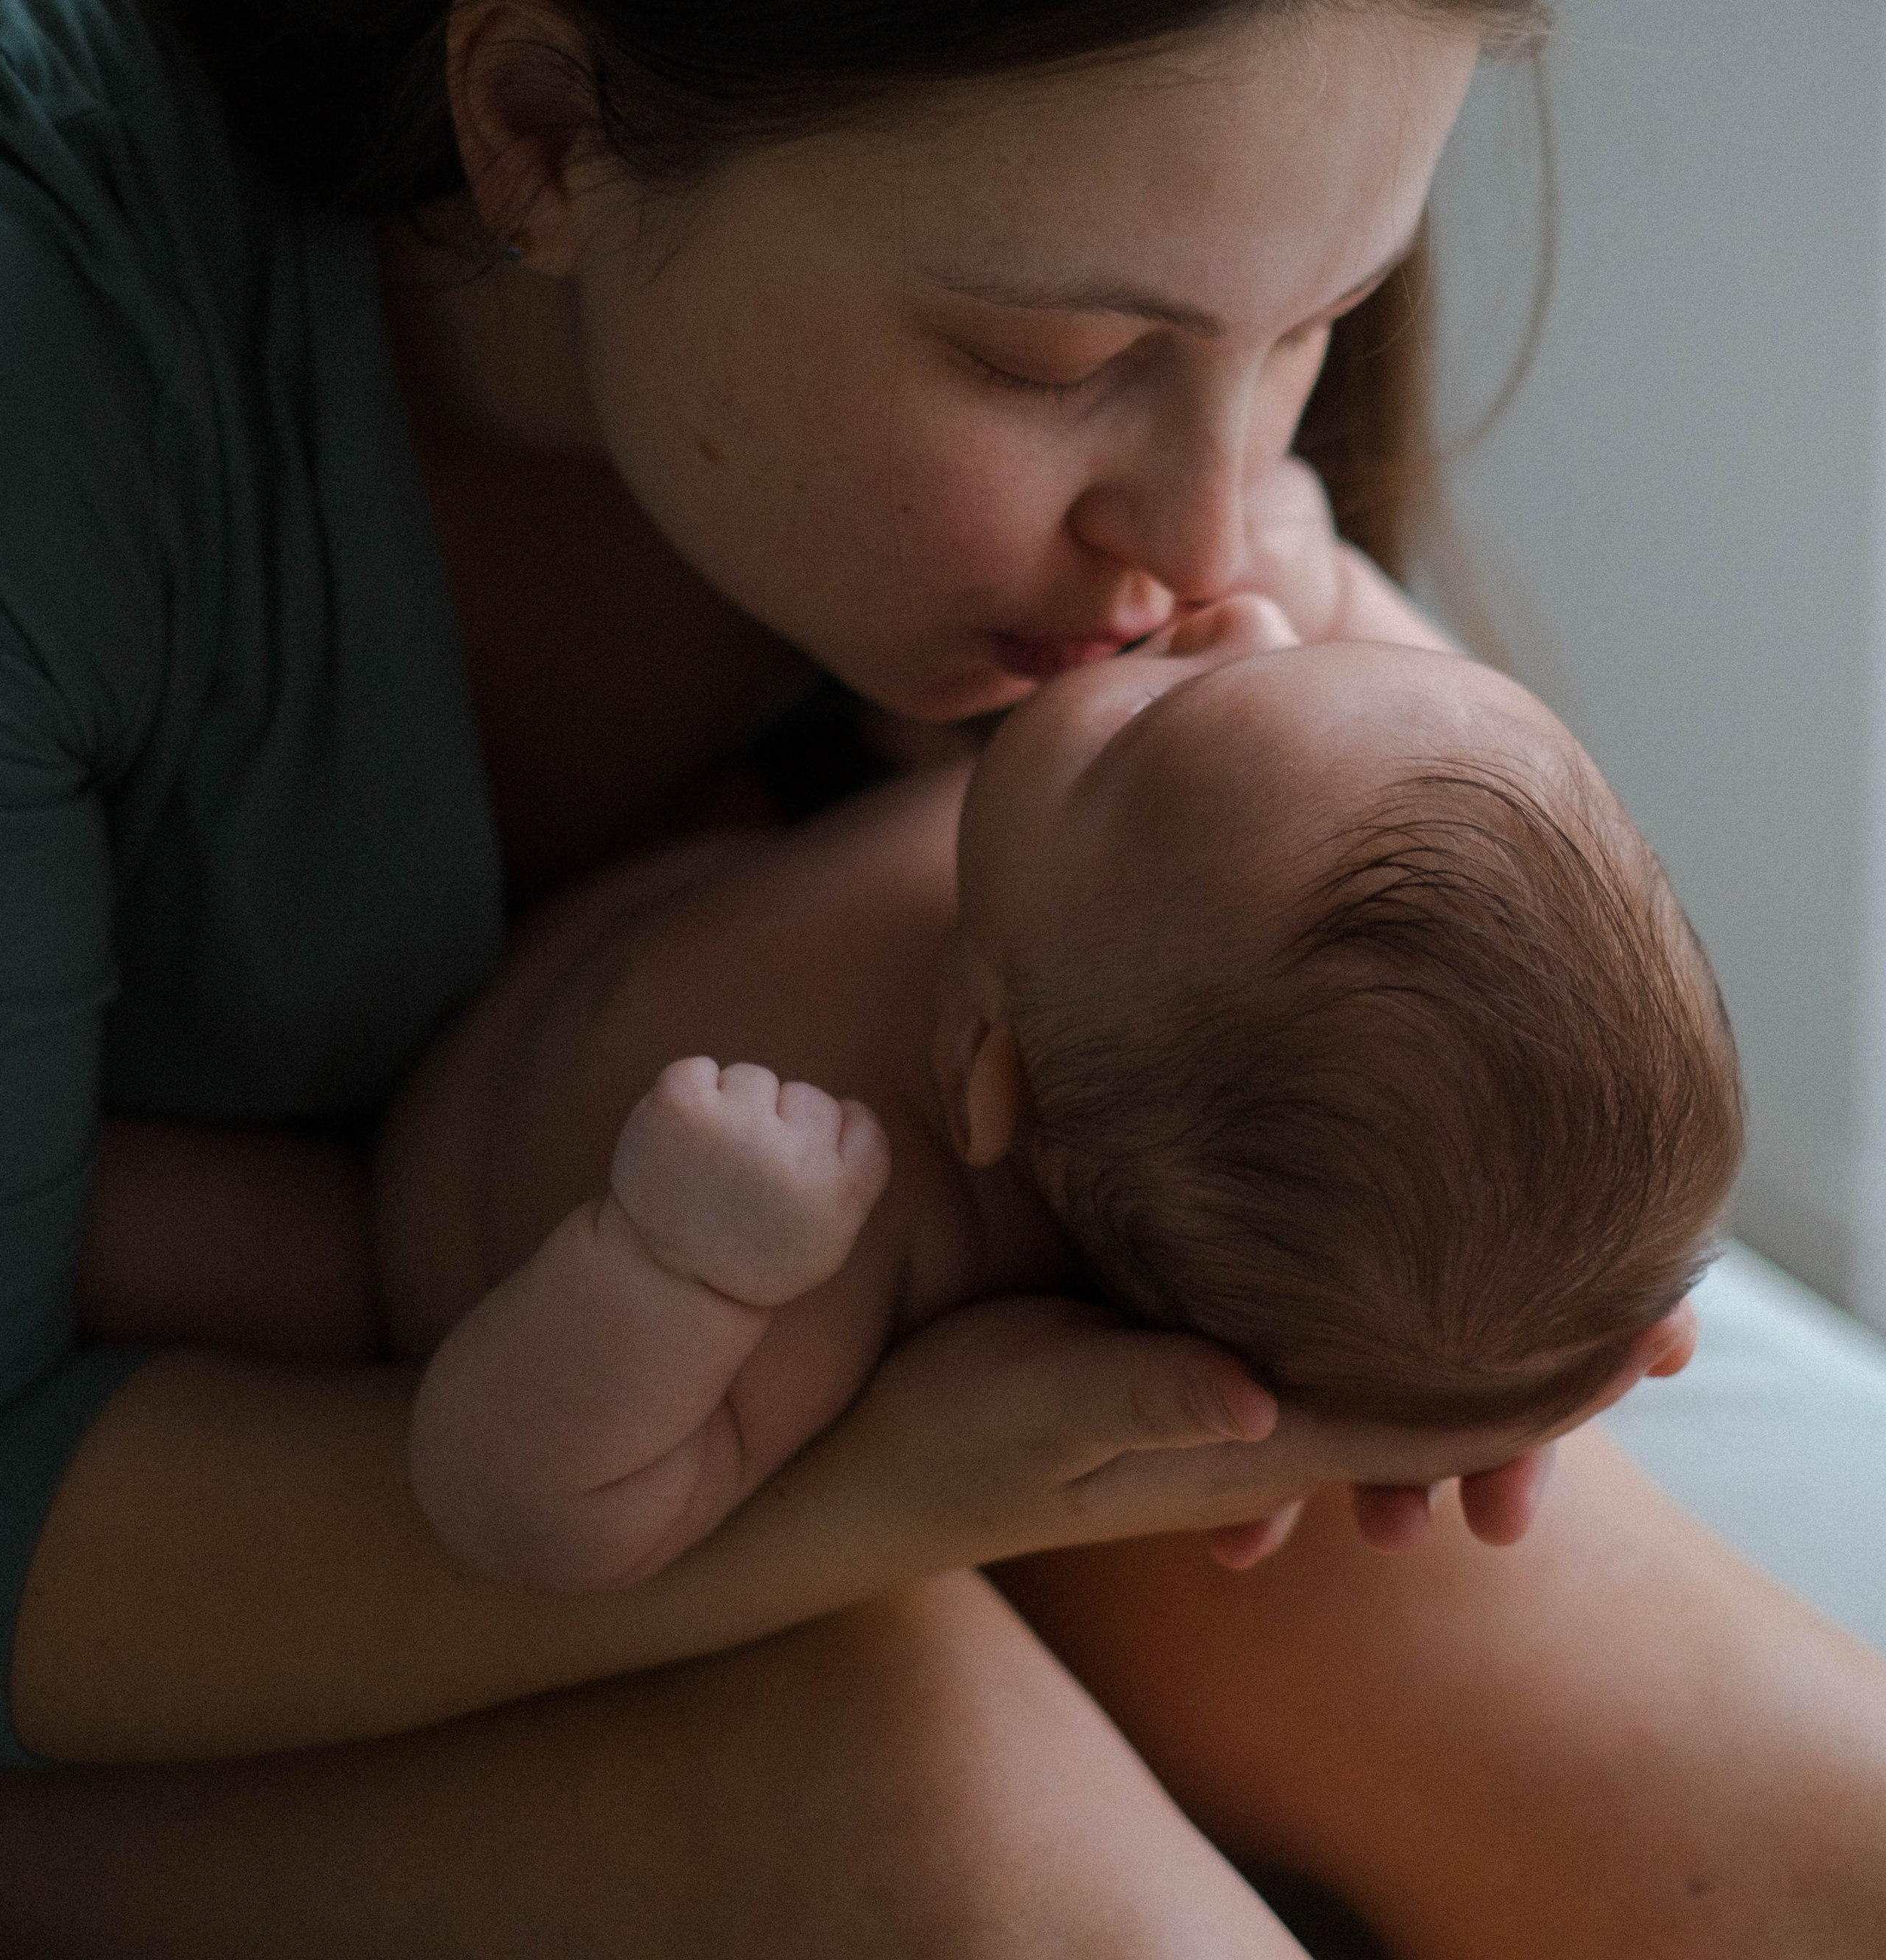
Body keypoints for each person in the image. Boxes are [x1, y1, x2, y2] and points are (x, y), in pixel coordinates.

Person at [0, 0, 1882, 1959]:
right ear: (534, 128)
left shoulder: (1075, 460)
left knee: (1745, 1791)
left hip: (623, 1309)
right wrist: (894, 1494)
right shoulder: (41, 332)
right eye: (1062, 358)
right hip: (144, 1526)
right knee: (912, 1793)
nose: (1217, 535)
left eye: (1313, 323)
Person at [393, 597, 1738, 1599]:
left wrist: (674, 1268)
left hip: (372, 1230)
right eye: (1276, 658)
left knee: (187, 1240)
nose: (1243, 609)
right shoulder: (1094, 908)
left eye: (1155, 717)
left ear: (991, 1073)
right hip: (523, 932)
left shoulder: (848, 1232)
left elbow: (536, 1518)